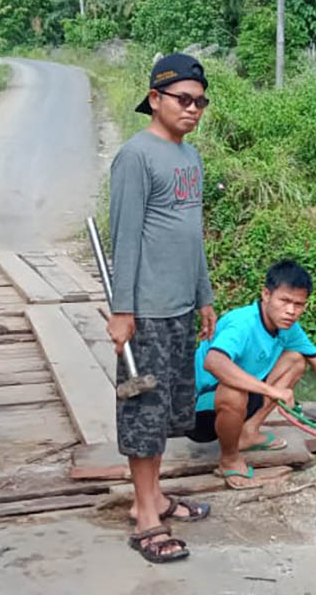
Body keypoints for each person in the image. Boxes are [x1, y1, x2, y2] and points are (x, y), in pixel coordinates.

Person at [107, 53, 217, 564]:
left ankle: (154, 498)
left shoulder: (190, 158)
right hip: (146, 311)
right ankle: (145, 516)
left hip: (179, 307)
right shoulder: (136, 156)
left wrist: (205, 296)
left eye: (200, 102)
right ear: (155, 99)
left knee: (171, 410)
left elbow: (193, 237)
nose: (193, 109)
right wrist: (122, 310)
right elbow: (125, 239)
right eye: (183, 99)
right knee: (143, 414)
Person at [188, 259, 316, 489]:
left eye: (299, 304)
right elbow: (214, 362)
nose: (291, 311)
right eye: (284, 301)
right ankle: (229, 459)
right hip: (199, 412)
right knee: (233, 389)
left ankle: (248, 432)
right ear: (266, 294)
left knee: (296, 360)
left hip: (244, 399)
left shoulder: (289, 328)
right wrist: (270, 390)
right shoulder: (242, 323)